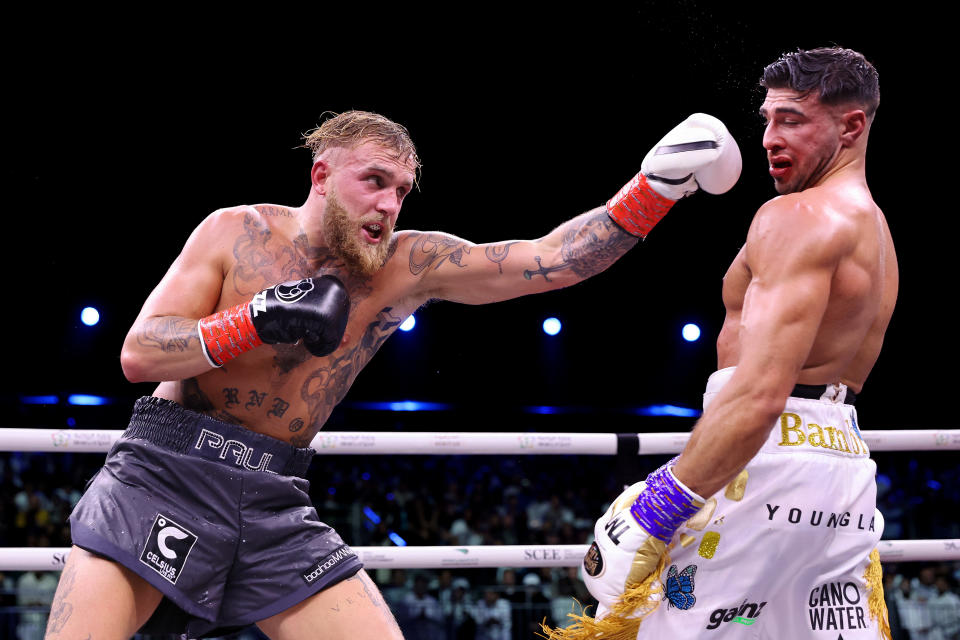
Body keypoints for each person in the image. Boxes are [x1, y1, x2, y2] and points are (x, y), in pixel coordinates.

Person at [45, 109, 740, 640]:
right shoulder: (236, 232)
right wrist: (256, 319)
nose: (388, 204)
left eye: (402, 190)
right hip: (166, 472)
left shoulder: (407, 266)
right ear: (321, 176)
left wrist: (654, 188)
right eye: (373, 181)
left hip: (272, 497)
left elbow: (550, 260)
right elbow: (140, 353)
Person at [552, 46, 898, 640]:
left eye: (791, 119)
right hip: (840, 470)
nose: (768, 137)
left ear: (852, 126)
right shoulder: (875, 228)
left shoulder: (796, 216)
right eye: (767, 118)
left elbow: (760, 394)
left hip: (761, 465)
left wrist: (660, 506)